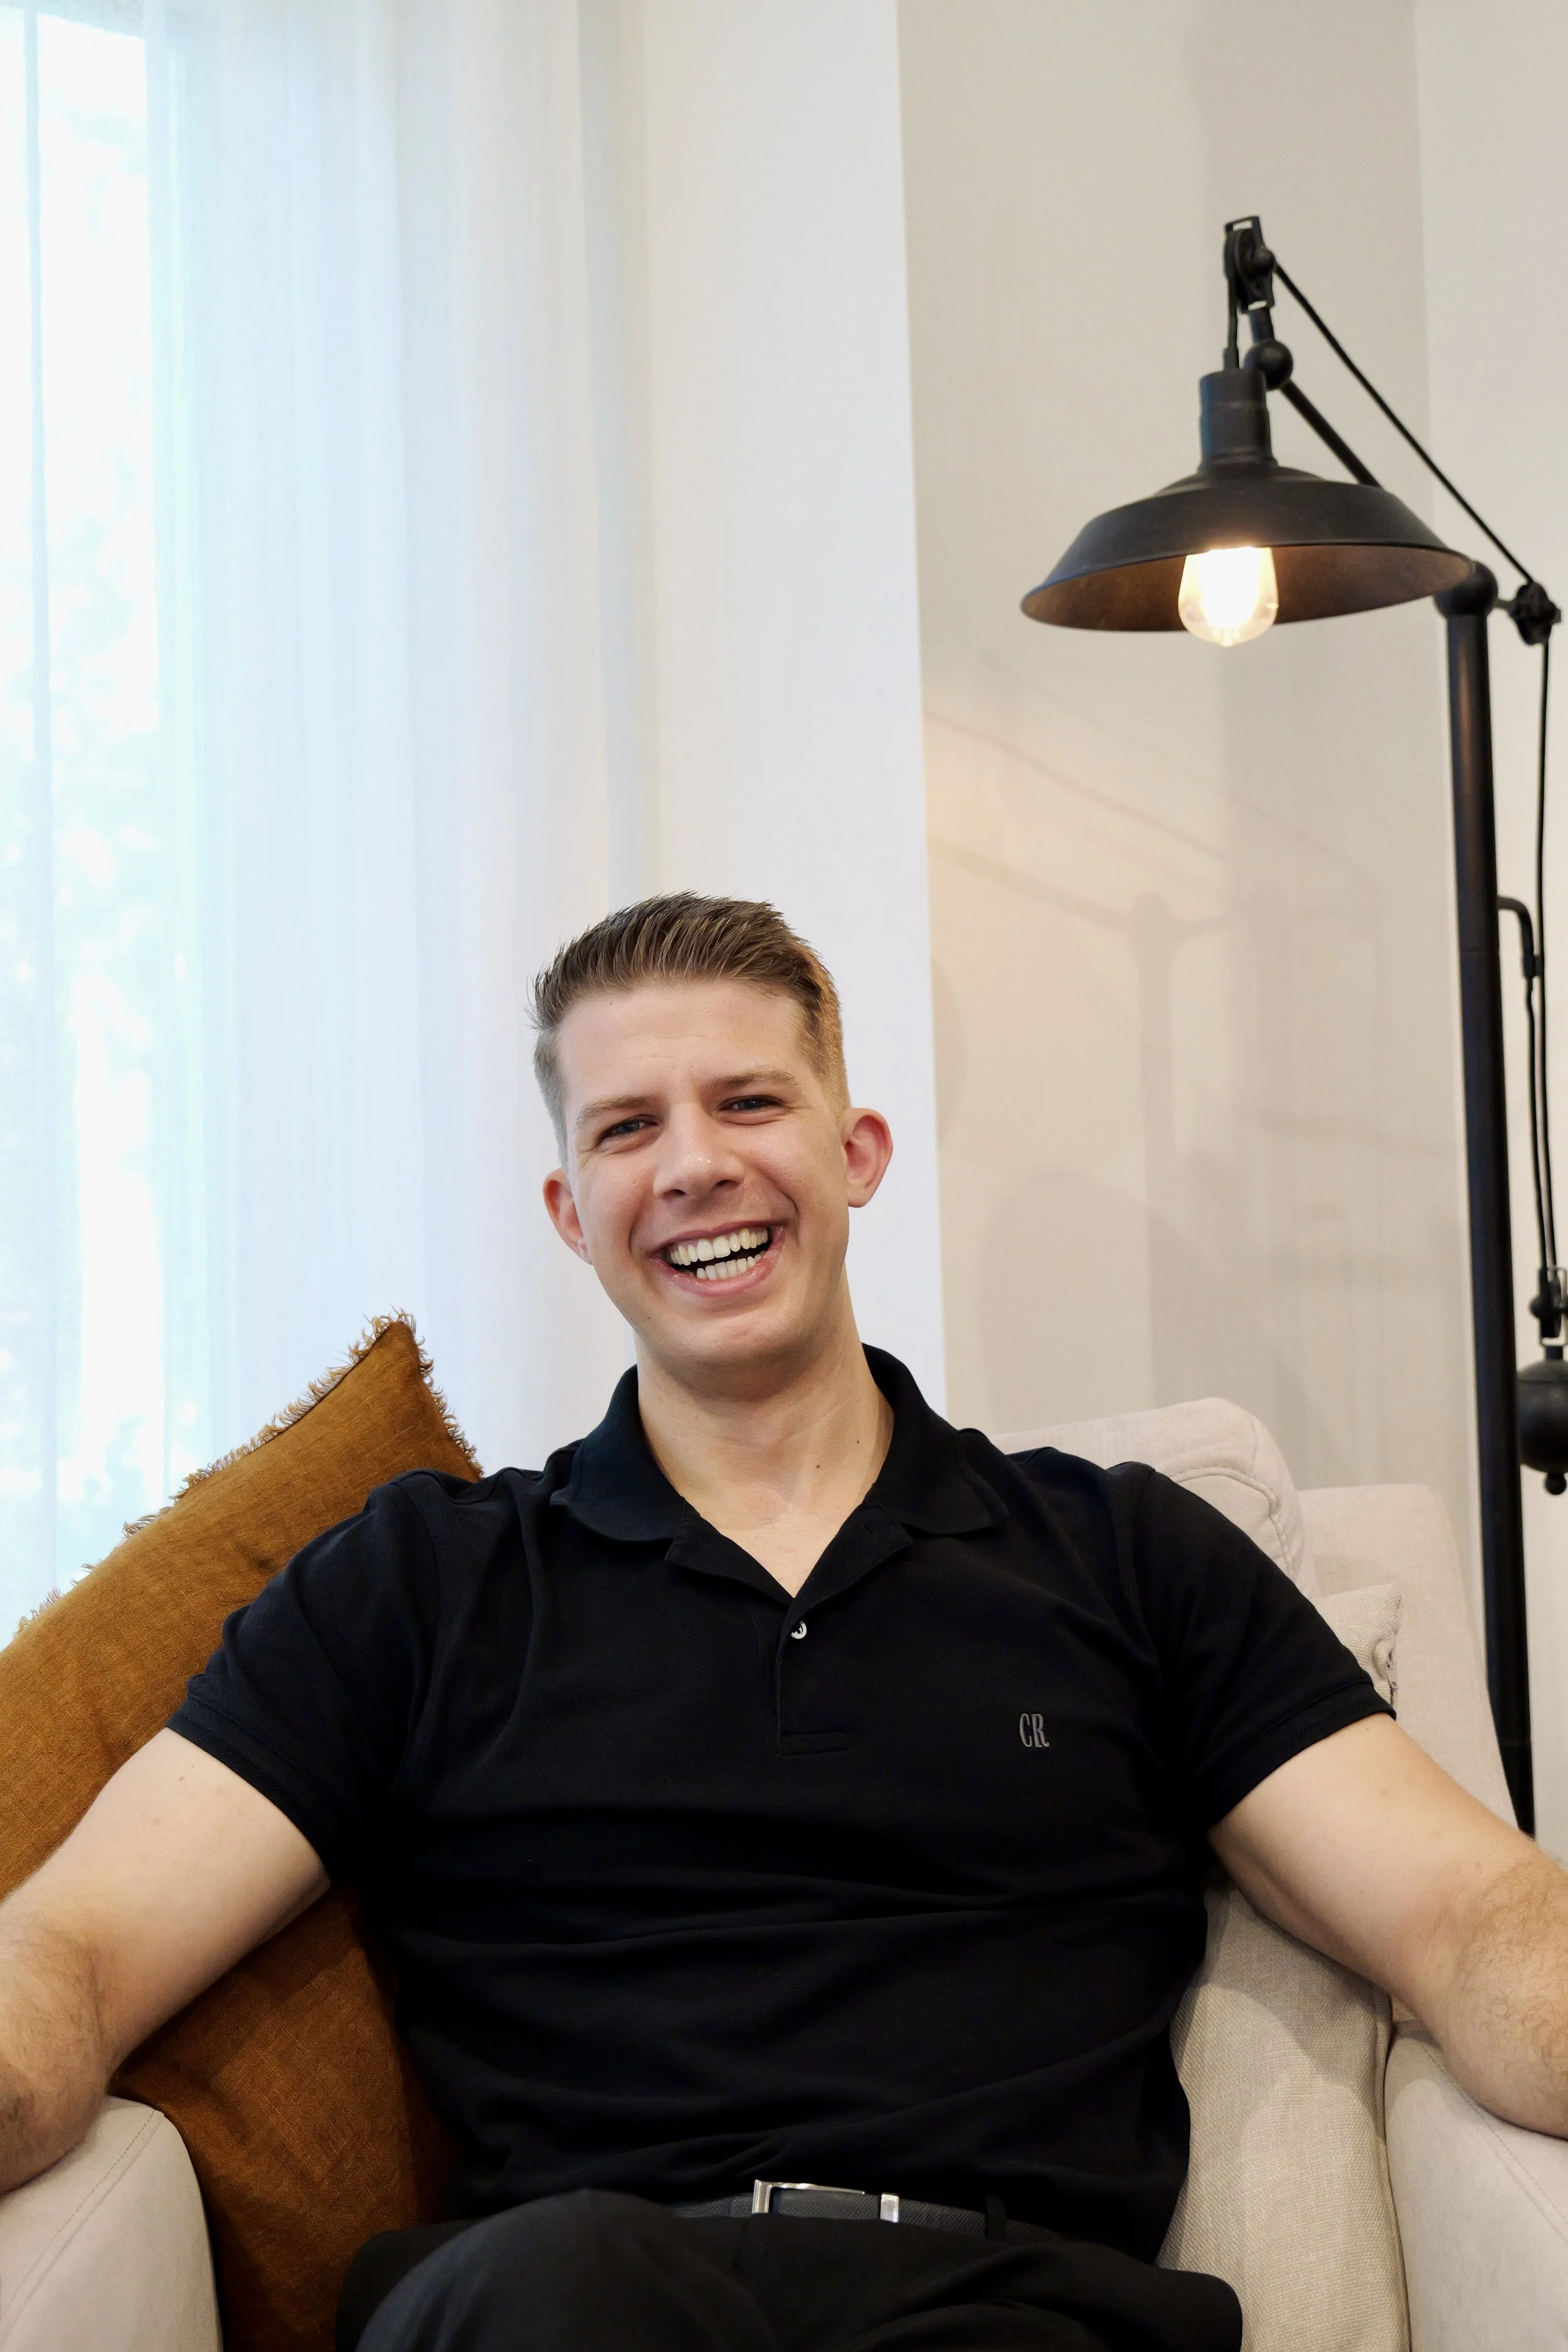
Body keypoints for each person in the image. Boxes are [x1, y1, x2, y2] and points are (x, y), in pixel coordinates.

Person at [3, 894, 1566, 2352]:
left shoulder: (1123, 1556)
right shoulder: (419, 1584)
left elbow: (1464, 1914)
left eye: (748, 1103)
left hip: (1004, 2306)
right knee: (549, 2290)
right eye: (627, 1127)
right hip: (569, 2303)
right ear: (570, 1208)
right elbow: (71, 1953)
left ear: (856, 1150)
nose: (691, 1165)